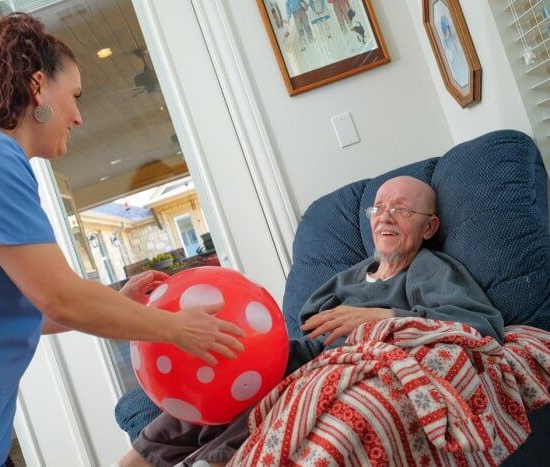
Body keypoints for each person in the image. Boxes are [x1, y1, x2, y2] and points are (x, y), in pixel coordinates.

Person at [0, 13, 245, 467]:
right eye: (74, 96)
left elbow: (27, 309)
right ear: (38, 86)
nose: (78, 116)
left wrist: (119, 300)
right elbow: (59, 299)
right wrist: (178, 330)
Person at [117, 176, 504, 467]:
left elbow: (479, 325)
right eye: (379, 208)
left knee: (266, 405)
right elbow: (308, 322)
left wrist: (380, 317)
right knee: (223, 375)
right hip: (303, 355)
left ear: (429, 227)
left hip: (340, 368)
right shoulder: (350, 275)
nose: (385, 216)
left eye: (401, 210)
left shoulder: (430, 270)